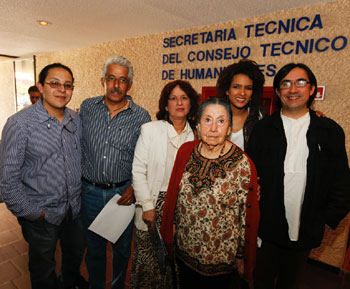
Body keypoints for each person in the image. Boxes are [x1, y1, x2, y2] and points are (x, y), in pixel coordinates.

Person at [246, 63, 350, 289]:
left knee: (291, 282)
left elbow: (341, 181)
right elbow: (248, 174)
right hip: (267, 227)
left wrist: (325, 219)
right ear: (277, 91)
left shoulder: (329, 130)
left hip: (306, 227)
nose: (293, 89)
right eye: (285, 84)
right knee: (261, 280)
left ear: (312, 89)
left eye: (300, 82)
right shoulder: (263, 130)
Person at [0, 63, 87, 289]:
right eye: (54, 83)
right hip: (42, 217)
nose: (62, 90)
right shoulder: (19, 124)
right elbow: (7, 181)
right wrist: (34, 213)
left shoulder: (75, 120)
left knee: (74, 257)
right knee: (43, 270)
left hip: (74, 211)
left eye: (68, 85)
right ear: (40, 86)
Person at [160, 98, 260, 289]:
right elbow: (174, 194)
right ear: (197, 125)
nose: (213, 128)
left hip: (221, 258)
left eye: (221, 121)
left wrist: (242, 256)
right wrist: (171, 227)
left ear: (229, 128)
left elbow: (245, 215)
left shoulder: (242, 163)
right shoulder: (185, 151)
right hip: (185, 251)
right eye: (207, 120)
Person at [80, 56, 151, 289]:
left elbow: (145, 157)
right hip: (89, 193)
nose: (116, 85)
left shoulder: (142, 117)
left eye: (122, 80)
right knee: (95, 251)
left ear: (129, 85)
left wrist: (133, 185)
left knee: (122, 251)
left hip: (123, 195)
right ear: (102, 80)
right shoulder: (87, 108)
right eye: (111, 78)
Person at [130, 80, 199, 288]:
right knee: (148, 261)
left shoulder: (197, 134)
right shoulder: (150, 130)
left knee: (175, 261)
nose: (179, 102)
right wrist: (148, 206)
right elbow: (138, 170)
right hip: (152, 202)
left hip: (181, 207)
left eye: (184, 98)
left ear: (191, 103)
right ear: (165, 104)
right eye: (173, 98)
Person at [216, 59, 265, 150]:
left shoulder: (260, 117)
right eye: (236, 87)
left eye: (248, 88)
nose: (242, 93)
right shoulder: (214, 116)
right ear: (227, 90)